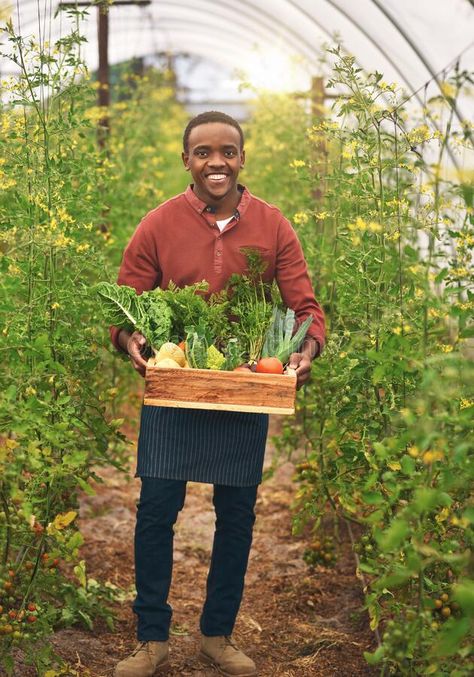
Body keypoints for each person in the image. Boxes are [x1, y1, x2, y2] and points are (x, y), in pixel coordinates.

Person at [112, 111, 326, 677]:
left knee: (237, 514)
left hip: (242, 388)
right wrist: (129, 337)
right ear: (186, 160)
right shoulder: (157, 224)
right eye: (203, 152)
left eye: (227, 151)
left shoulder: (274, 226)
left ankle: (216, 634)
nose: (216, 162)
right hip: (175, 385)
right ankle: (151, 639)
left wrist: (306, 350)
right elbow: (124, 302)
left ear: (241, 158)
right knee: (157, 511)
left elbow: (305, 307)